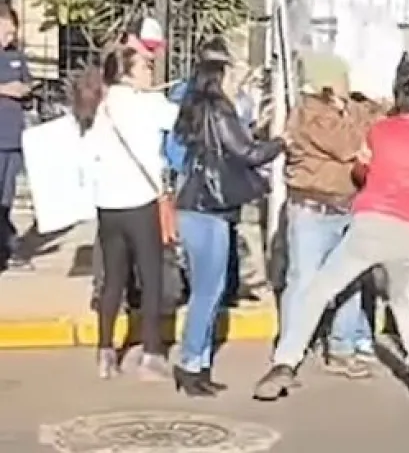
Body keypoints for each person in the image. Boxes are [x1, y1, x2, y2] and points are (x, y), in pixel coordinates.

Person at [253, 75, 409, 400]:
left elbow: (361, 169)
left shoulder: (381, 131)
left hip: (370, 225)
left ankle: (285, 362)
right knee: (402, 300)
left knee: (319, 290)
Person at [171, 49, 285, 396]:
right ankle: (190, 363)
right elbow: (246, 153)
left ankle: (199, 364)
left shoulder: (196, 108)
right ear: (219, 76)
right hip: (209, 208)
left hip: (195, 206)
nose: (237, 79)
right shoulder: (219, 109)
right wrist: (281, 143)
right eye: (232, 73)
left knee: (208, 289)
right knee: (208, 291)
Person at [280, 53, 381, 380]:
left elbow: (376, 126)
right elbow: (346, 143)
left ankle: (342, 349)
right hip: (312, 208)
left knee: (348, 281)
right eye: (341, 76)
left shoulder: (348, 107)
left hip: (347, 205)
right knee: (304, 283)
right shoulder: (310, 112)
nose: (348, 82)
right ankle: (288, 356)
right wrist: (362, 126)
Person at [83, 46, 179, 381]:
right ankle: (151, 354)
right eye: (145, 66)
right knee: (150, 277)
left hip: (108, 204)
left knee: (114, 279)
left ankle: (105, 350)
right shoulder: (149, 103)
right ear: (128, 72)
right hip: (140, 201)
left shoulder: (102, 105)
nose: (150, 71)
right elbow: (180, 119)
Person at [0, 6, 32, 271]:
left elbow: (28, 84)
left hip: (13, 137)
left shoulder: (17, 58)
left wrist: (25, 90)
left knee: (7, 196)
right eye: (6, 31)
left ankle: (7, 249)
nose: (9, 38)